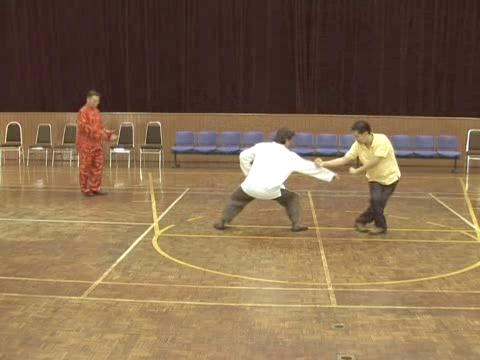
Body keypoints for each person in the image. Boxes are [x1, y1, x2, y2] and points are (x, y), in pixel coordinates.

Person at [214, 128, 338, 232]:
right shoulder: (290, 156)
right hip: (271, 190)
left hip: (249, 187)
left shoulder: (261, 147)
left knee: (236, 199)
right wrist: (330, 175)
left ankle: (222, 221)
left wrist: (248, 173)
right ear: (287, 140)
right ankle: (296, 225)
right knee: (292, 198)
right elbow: (309, 168)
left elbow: (243, 156)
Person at [316, 120, 400, 235]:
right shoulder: (357, 145)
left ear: (366, 133)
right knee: (376, 201)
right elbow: (344, 159)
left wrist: (357, 170)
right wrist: (324, 164)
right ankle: (380, 226)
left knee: (378, 203)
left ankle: (361, 221)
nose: (356, 139)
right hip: (374, 178)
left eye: (357, 136)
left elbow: (375, 161)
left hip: (391, 177)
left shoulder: (382, 140)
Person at [76, 90, 117, 197]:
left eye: (97, 101)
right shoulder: (83, 112)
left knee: (98, 166)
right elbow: (86, 128)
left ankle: (95, 188)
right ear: (88, 99)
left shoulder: (97, 112)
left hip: (97, 144)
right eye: (94, 101)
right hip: (86, 145)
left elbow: (100, 128)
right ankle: (85, 189)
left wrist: (108, 135)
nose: (96, 103)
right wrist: (102, 134)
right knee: (86, 167)